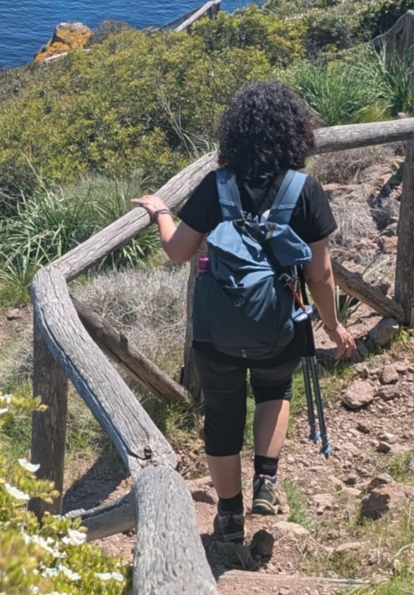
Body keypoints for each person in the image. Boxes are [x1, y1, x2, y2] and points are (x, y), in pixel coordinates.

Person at [131, 81, 358, 544]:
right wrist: (332, 325)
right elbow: (321, 273)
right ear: (295, 132)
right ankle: (266, 483)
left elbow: (178, 251)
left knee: (222, 415)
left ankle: (229, 517)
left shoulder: (217, 186)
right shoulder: (305, 189)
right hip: (278, 324)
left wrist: (161, 212)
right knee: (275, 389)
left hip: (216, 331)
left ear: (234, 133)